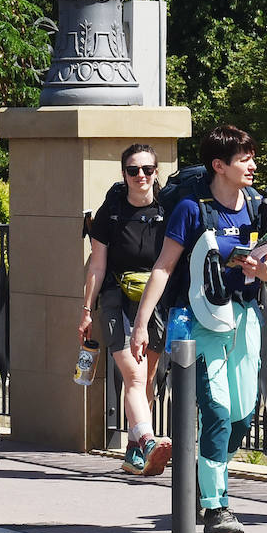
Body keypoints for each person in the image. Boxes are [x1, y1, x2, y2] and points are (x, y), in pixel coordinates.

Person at [131, 126, 267, 533]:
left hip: (245, 318)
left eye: (252, 157)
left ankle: (202, 477)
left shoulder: (255, 205)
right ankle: (217, 506)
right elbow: (163, 267)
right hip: (197, 322)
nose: (252, 166)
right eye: (243, 159)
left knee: (242, 417)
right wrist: (142, 324)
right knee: (215, 412)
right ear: (220, 166)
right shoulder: (192, 210)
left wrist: (260, 268)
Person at [80, 143, 172, 476]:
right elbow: (97, 267)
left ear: (156, 172)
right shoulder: (111, 213)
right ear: (124, 174)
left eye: (147, 170)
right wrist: (87, 310)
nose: (141, 176)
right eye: (133, 170)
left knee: (144, 378)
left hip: (153, 301)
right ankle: (148, 441)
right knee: (133, 374)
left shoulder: (167, 209)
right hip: (115, 298)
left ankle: (133, 450)